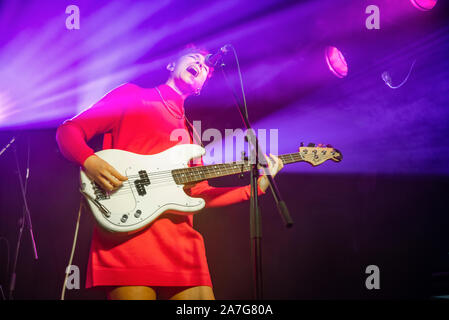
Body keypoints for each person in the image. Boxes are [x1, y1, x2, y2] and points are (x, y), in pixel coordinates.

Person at [56, 45, 283, 300]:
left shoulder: (192, 137)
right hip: (129, 234)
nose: (201, 62)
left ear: (200, 86)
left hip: (183, 245)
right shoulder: (132, 96)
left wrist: (256, 188)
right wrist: (90, 161)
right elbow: (68, 131)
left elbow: (200, 193)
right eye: (193, 57)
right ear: (170, 65)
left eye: (206, 66)